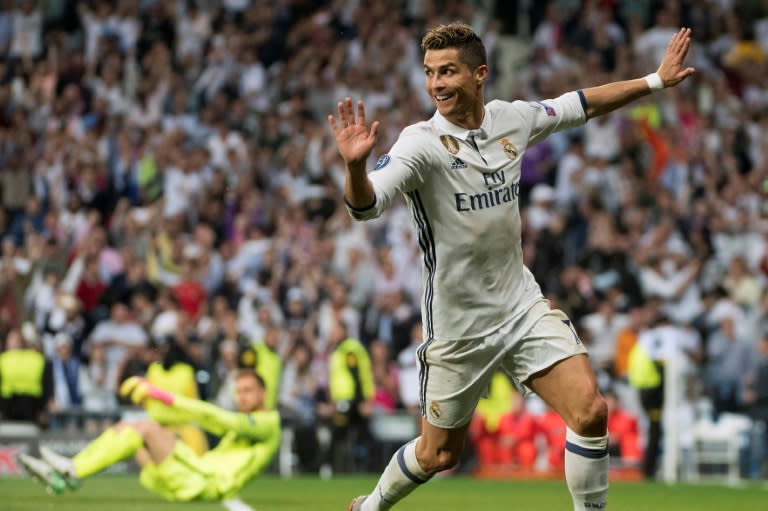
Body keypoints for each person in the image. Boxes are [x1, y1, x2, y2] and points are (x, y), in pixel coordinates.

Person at [329, 22, 695, 511]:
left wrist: (654, 81)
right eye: (430, 73)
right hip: (459, 326)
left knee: (590, 411)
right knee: (438, 454)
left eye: (448, 71)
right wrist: (355, 168)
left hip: (520, 306)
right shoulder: (420, 144)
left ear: (480, 74)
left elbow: (580, 103)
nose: (436, 83)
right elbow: (366, 206)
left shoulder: (512, 120)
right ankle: (371, 506)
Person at [19, 370, 280, 503]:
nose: (242, 397)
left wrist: (162, 396)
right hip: (194, 475)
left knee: (145, 428)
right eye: (239, 391)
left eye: (248, 390)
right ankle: (66, 476)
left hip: (204, 482)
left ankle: (71, 470)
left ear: (263, 392)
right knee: (129, 428)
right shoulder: (247, 422)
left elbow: (217, 417)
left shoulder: (269, 423)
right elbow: (214, 419)